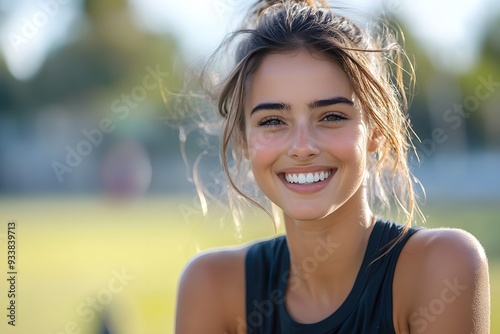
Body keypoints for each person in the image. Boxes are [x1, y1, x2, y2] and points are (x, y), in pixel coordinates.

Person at [175, 1, 490, 333]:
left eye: (331, 116)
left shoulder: (441, 266)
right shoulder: (211, 285)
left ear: (377, 131)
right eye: (272, 121)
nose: (303, 147)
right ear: (244, 142)